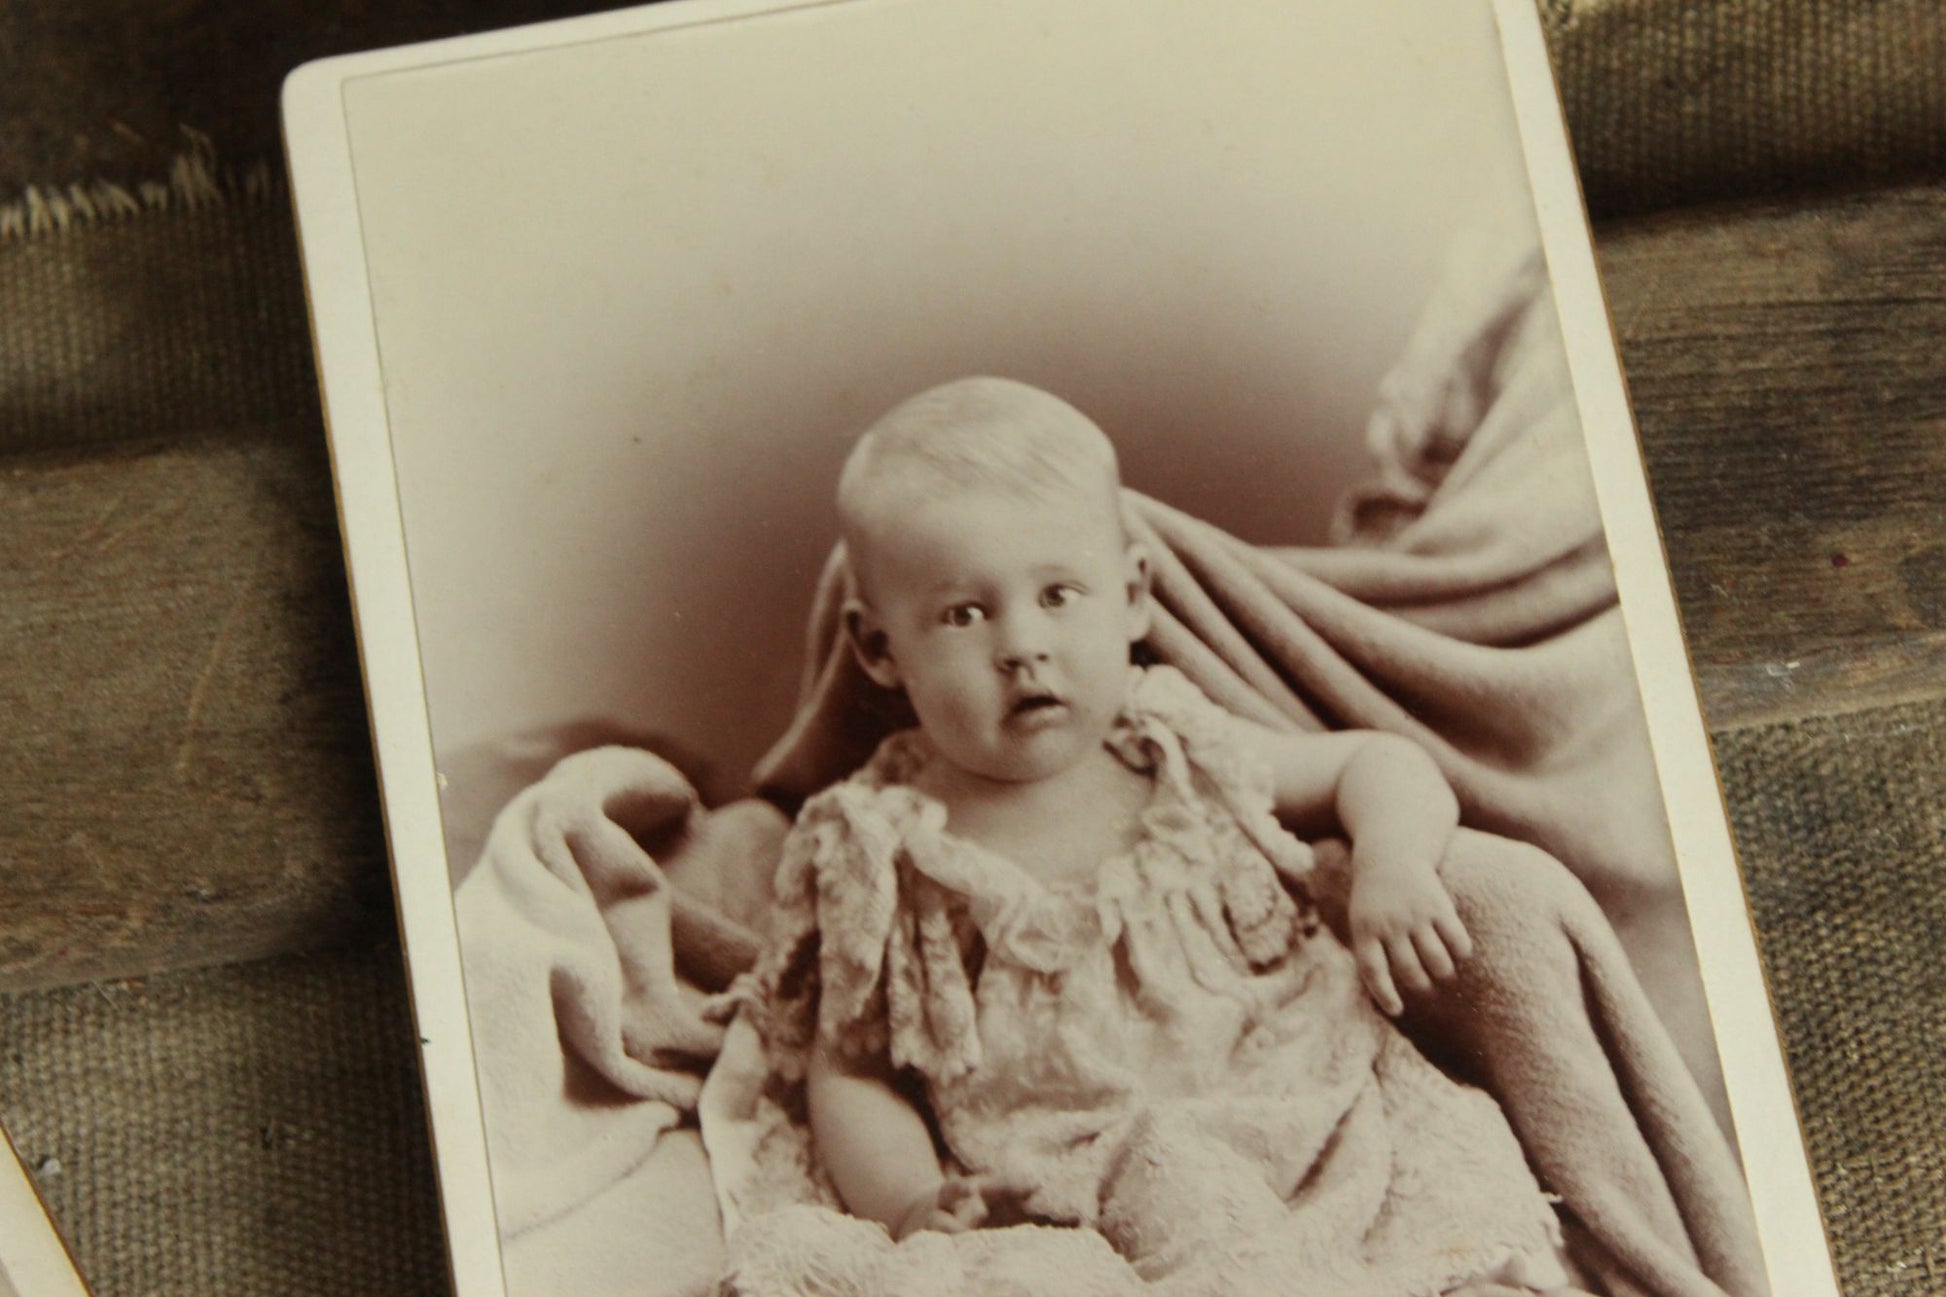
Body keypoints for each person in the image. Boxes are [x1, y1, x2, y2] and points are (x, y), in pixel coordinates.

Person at [733, 377, 1577, 1294]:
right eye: (963, 614)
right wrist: (910, 1202)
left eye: (1059, 593)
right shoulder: (881, 847)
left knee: (1445, 1202)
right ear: (879, 649)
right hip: (1077, 1181)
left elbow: (1372, 763)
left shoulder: (1177, 747)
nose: (1023, 645)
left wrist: (1393, 859)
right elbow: (851, 1072)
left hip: (1302, 1109)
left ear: (1132, 596)